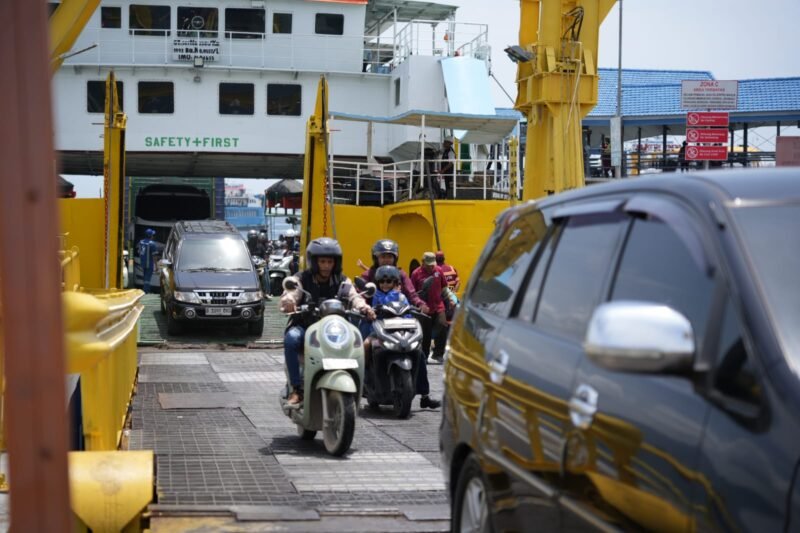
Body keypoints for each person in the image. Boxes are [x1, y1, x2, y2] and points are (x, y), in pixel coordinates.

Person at [280, 238, 376, 406]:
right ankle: (297, 389)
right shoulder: (301, 278)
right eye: (322, 261)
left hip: (334, 330)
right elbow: (291, 291)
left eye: (329, 262)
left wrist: (364, 307)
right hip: (306, 326)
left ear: (335, 262)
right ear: (314, 262)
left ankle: (360, 384)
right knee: (291, 339)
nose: (326, 265)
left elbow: (354, 296)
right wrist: (289, 301)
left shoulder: (342, 280)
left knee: (358, 341)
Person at [361, 240, 439, 409]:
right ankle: (361, 382)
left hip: (400, 320)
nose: (386, 260)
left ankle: (424, 395)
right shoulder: (369, 274)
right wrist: (364, 308)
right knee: (364, 346)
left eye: (389, 256)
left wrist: (420, 304)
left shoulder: (401, 275)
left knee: (418, 352)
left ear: (395, 258)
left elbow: (411, 294)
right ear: (376, 258)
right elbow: (359, 295)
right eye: (383, 256)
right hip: (374, 319)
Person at [411, 252, 448, 364]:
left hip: (438, 305)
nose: (431, 267)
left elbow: (444, 287)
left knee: (443, 325)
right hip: (424, 307)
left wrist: (450, 299)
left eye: (433, 264)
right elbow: (412, 291)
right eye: (428, 265)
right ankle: (424, 355)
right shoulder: (416, 274)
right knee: (425, 332)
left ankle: (438, 354)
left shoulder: (438, 271)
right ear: (422, 262)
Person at [138, 228, 159, 293]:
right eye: (153, 235)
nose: (153, 236)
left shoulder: (141, 242)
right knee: (147, 280)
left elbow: (139, 252)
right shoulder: (152, 244)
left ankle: (147, 290)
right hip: (149, 264)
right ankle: (145, 292)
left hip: (142, 263)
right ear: (150, 236)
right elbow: (154, 256)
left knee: (145, 278)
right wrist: (156, 265)